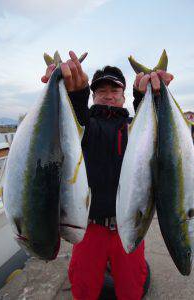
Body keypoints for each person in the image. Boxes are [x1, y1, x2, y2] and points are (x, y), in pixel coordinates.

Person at [41, 51, 173, 300]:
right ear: (93, 96)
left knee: (131, 288)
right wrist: (76, 94)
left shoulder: (135, 128)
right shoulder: (85, 126)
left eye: (115, 91)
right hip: (90, 227)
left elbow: (151, 129)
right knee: (83, 287)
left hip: (130, 225)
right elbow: (76, 115)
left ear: (124, 97)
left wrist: (146, 97)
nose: (109, 96)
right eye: (102, 91)